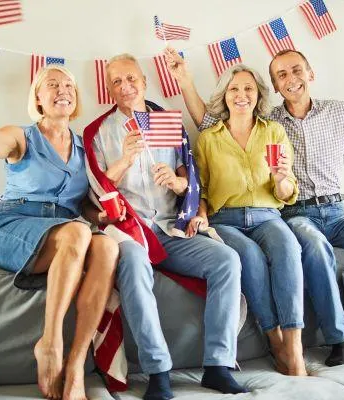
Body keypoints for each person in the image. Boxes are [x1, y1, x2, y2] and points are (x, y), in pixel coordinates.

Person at [165, 47, 344, 367]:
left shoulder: (339, 113)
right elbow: (213, 121)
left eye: (296, 70)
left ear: (310, 74)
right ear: (274, 86)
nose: (291, 79)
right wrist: (184, 80)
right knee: (313, 247)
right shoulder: (269, 120)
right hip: (295, 212)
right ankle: (339, 338)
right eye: (281, 75)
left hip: (338, 211)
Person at [0, 49, 123, 400]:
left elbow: (82, 208)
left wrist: (100, 217)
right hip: (13, 224)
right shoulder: (22, 137)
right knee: (77, 231)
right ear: (39, 98)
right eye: (52, 85)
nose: (63, 89)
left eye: (69, 86)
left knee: (107, 245)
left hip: (65, 234)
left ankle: (76, 365)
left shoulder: (84, 148)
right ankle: (49, 344)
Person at [87, 53, 247, 400]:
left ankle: (218, 366)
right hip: (129, 229)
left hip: (170, 227)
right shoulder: (98, 131)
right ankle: (158, 371)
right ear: (109, 89)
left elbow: (185, 172)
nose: (126, 87)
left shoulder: (163, 120)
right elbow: (96, 193)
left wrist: (179, 185)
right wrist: (124, 162)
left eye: (131, 79)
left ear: (144, 81)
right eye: (117, 81)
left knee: (227, 261)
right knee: (132, 261)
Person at [184, 63, 306, 376]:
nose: (241, 95)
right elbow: (202, 190)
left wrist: (280, 179)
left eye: (248, 89)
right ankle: (274, 338)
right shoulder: (209, 138)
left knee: (289, 249)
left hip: (267, 215)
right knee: (249, 256)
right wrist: (199, 214)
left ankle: (294, 346)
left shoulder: (273, 131)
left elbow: (288, 189)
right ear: (224, 96)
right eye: (234, 89)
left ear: (258, 95)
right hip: (225, 218)